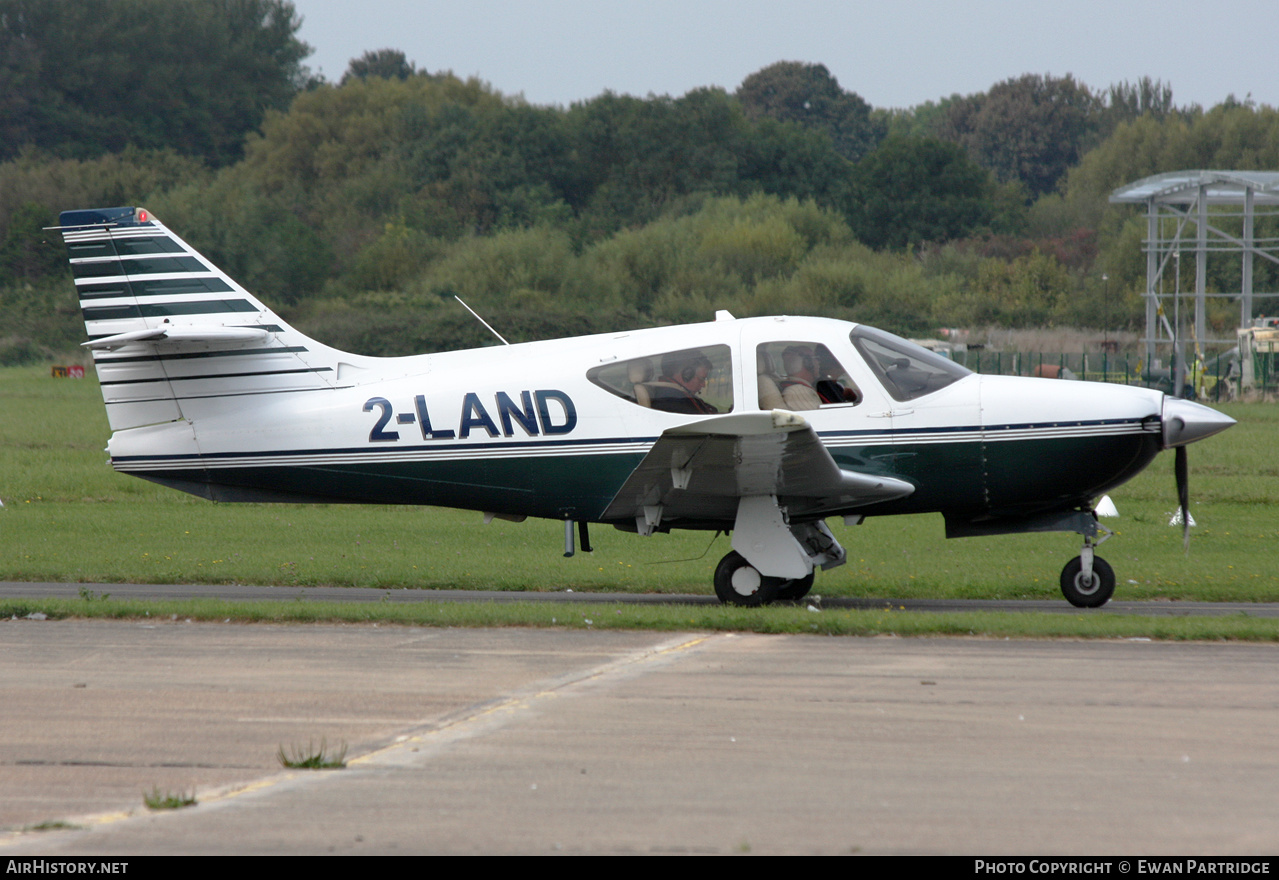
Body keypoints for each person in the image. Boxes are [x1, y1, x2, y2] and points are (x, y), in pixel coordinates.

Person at [646, 349, 718, 415]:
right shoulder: (671, 400)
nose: (703, 385)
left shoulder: (681, 395)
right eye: (701, 379)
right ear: (687, 374)